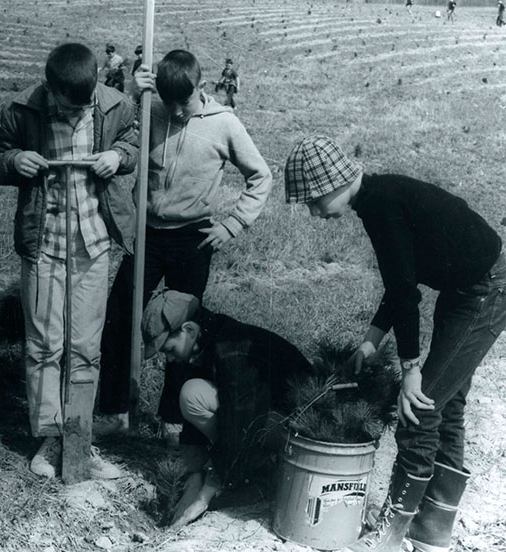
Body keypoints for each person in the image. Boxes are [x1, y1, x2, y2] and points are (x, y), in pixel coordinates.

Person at [283, 135, 506, 552]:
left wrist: (410, 368)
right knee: (447, 403)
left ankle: (390, 534)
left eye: (313, 201)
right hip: (466, 289)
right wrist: (369, 344)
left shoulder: (381, 205)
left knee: (418, 408)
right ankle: (433, 531)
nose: (314, 213)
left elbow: (405, 292)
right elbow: (401, 280)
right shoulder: (377, 198)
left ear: (332, 181)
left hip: (485, 290)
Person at [96, 50, 273, 443]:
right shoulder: (149, 109)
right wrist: (130, 94)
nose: (175, 111)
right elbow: (111, 137)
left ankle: (172, 419)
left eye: (184, 101)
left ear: (202, 87)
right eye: (168, 101)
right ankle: (114, 410)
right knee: (121, 315)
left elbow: (261, 176)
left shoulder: (225, 123)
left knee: (184, 328)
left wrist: (234, 223)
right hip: (147, 236)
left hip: (193, 238)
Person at [0, 42, 139, 480]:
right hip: (44, 244)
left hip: (92, 245)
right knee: (44, 345)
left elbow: (131, 143)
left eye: (84, 107)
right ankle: (49, 438)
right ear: (49, 88)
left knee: (85, 348)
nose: (77, 115)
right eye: (67, 107)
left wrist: (118, 156)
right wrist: (16, 160)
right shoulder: (21, 111)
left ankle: (78, 439)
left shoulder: (115, 106)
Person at [140, 290, 313, 529]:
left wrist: (204, 497)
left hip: (300, 433)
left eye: (170, 349)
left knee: (195, 395)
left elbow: (240, 425)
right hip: (266, 416)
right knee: (193, 393)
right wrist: (194, 474)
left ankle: (261, 477)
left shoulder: (231, 349)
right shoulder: (203, 340)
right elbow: (196, 428)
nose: (168, 359)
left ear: (189, 329)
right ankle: (250, 470)